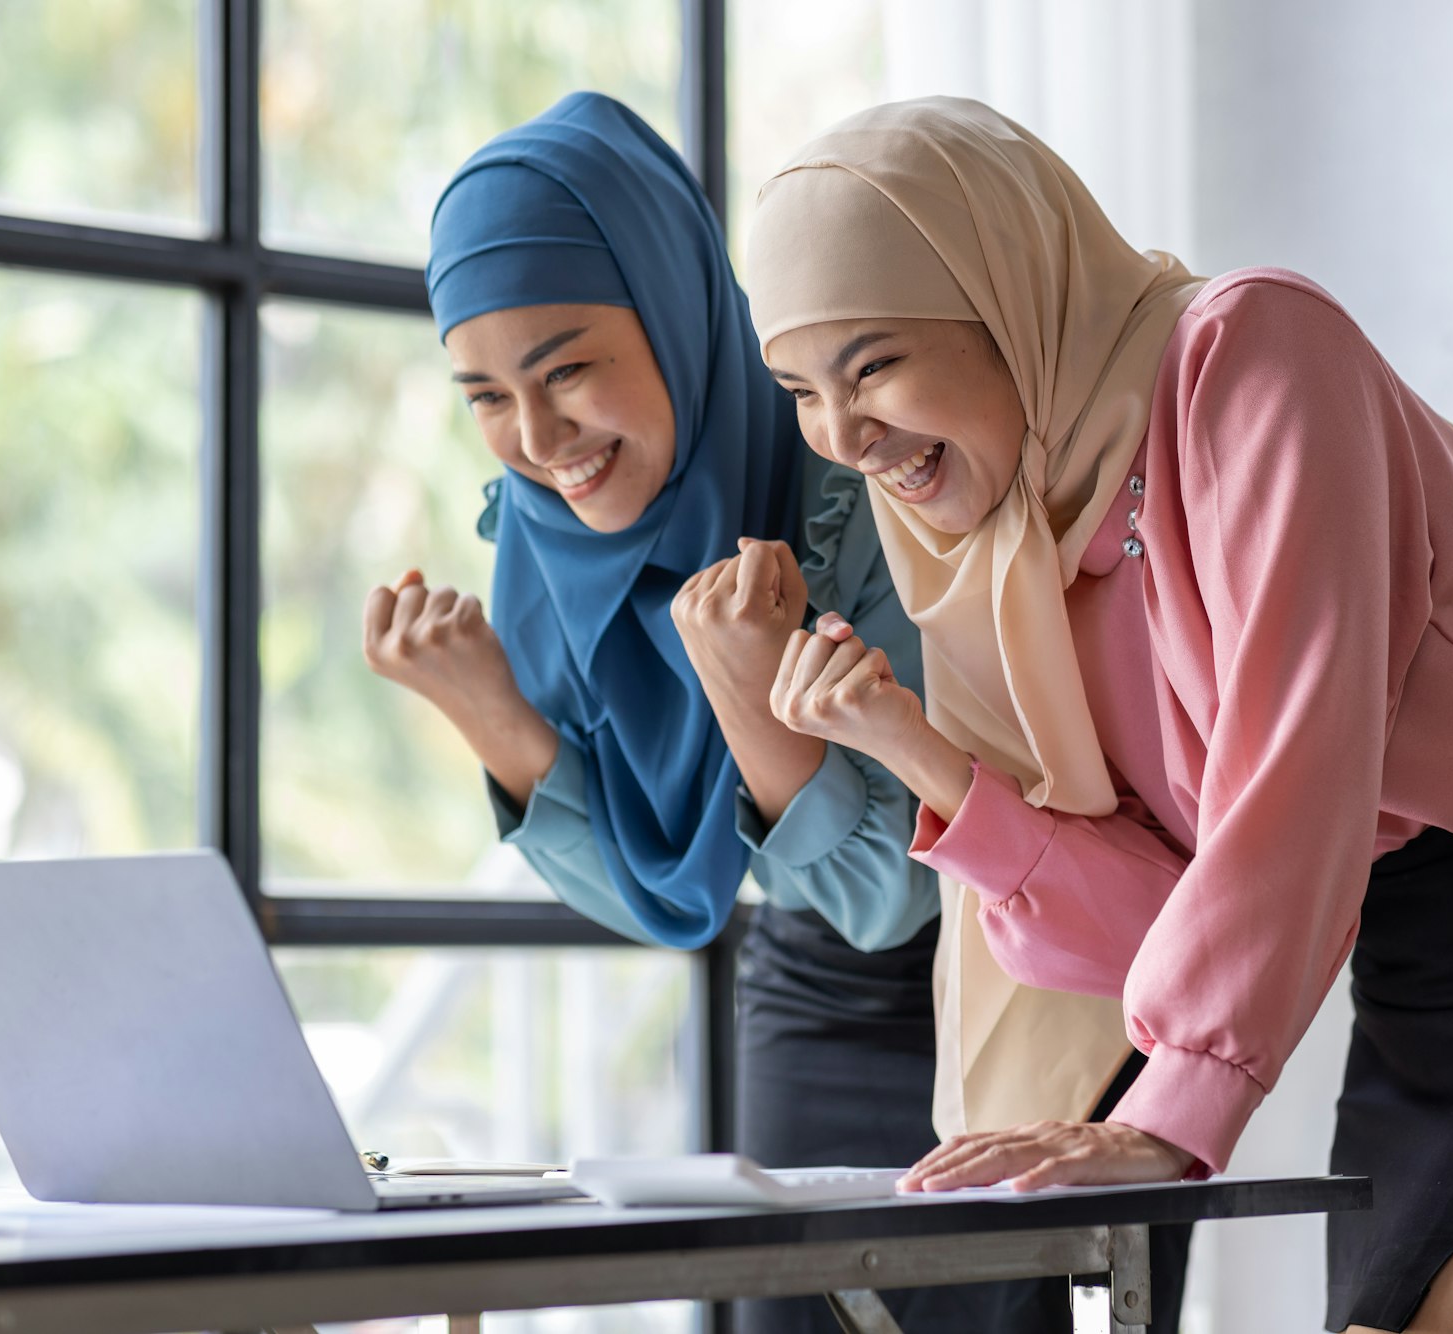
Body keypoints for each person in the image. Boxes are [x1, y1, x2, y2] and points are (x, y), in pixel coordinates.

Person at [743, 96, 1453, 1333]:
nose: (843, 434)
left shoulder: (1251, 353)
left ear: (1000, 296)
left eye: (874, 362)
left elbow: (1300, 764)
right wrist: (918, 752)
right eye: (799, 388)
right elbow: (1154, 914)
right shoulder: (1001, 540)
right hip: (1415, 982)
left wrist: (1168, 1117)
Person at [361, 92, 1092, 1333]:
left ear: (674, 306)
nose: (537, 440)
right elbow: (659, 895)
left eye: (569, 368)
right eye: (483, 395)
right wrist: (499, 724)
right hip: (807, 988)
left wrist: (752, 701)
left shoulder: (865, 475)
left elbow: (901, 890)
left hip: (1016, 970)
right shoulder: (544, 544)